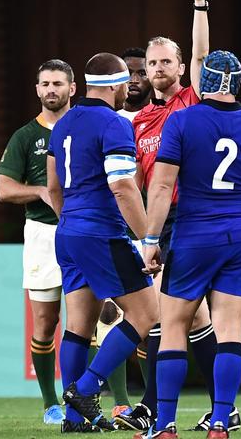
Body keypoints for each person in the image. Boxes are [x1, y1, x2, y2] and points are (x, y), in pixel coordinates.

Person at [115, 0, 241, 434]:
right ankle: (220, 409)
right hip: (162, 223)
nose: (159, 69)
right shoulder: (138, 120)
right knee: (192, 320)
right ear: (144, 72)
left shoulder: (191, 102)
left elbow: (204, 49)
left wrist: (200, 1)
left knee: (174, 318)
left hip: (193, 219)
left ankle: (157, 409)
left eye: (167, 61)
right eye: (152, 64)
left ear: (182, 67)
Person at [138, 49, 241, 439]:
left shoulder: (181, 121)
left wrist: (151, 239)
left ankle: (164, 424)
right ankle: (221, 420)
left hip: (192, 235)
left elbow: (163, 185)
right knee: (230, 329)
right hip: (239, 237)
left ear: (203, 81)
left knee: (172, 328)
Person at [46, 52, 160, 433]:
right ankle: (86, 389)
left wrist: (72, 222)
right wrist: (148, 238)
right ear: (116, 85)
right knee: (146, 314)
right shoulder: (113, 123)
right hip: (101, 232)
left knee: (78, 326)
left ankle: (75, 421)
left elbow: (53, 187)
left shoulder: (63, 123)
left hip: (68, 232)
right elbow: (124, 187)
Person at [0, 59, 76, 426]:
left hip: (85, 230)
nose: (51, 90)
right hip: (42, 234)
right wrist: (40, 190)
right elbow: (3, 189)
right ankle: (50, 403)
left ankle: (114, 402)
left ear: (72, 88)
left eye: (58, 83)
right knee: (45, 322)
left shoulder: (85, 127)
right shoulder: (26, 137)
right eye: (45, 84)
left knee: (95, 320)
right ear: (37, 89)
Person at [118, 47, 153, 122]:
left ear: (152, 77)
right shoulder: (107, 117)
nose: (134, 80)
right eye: (128, 73)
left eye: (142, 73)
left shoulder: (164, 115)